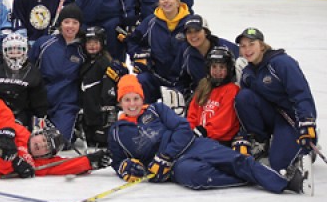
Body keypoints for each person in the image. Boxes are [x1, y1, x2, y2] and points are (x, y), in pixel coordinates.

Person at [107, 74, 308, 194]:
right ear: (120, 103)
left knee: (234, 160)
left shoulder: (156, 110)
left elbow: (183, 129)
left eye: (136, 98)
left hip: (192, 145)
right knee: (195, 176)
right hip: (174, 167)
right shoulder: (116, 132)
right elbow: (118, 161)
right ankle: (255, 178)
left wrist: (165, 155)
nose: (132, 104)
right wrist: (125, 168)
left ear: (142, 98)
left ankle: (286, 182)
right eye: (127, 100)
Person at [233, 27, 318, 172]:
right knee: (243, 97)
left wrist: (306, 122)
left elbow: (300, 92)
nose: (247, 49)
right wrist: (243, 135)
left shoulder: (281, 63)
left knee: (279, 163)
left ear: (261, 45)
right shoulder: (247, 73)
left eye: (251, 44)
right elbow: (247, 107)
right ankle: (260, 141)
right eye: (243, 46)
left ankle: (307, 146)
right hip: (272, 116)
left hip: (291, 119)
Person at [125, 0, 190, 106]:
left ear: (178, 1)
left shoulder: (189, 23)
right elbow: (132, 41)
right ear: (159, 2)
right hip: (156, 78)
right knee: (141, 80)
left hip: (182, 81)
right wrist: (140, 57)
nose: (166, 1)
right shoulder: (150, 22)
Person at [29, 3, 86, 143]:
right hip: (41, 101)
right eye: (66, 22)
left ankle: (74, 126)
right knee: (33, 140)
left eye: (75, 22)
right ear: (60, 24)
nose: (70, 26)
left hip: (66, 104)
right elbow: (29, 71)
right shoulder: (44, 44)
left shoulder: (84, 50)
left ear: (80, 25)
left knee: (60, 142)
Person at [0, 32, 48, 129]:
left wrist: (39, 120)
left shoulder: (34, 73)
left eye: (18, 50)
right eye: (10, 50)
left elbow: (39, 102)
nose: (14, 54)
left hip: (24, 116)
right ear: (4, 51)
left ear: (25, 50)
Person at [187, 46, 240, 146]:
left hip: (220, 142)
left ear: (229, 69)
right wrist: (191, 131)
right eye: (214, 67)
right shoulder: (203, 86)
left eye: (222, 67)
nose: (217, 71)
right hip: (199, 138)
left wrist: (204, 131)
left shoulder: (232, 89)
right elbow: (192, 113)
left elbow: (224, 119)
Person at [78, 26, 118, 149]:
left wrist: (108, 109)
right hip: (88, 109)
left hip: (101, 110)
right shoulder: (85, 62)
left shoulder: (105, 62)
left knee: (100, 140)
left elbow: (109, 89)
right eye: (89, 43)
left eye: (95, 42)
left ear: (102, 43)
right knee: (90, 139)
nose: (92, 46)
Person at [178, 14, 240, 95]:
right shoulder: (186, 52)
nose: (193, 35)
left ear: (206, 32)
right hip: (202, 97)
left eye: (197, 30)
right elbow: (181, 79)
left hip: (227, 95)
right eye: (189, 32)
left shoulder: (225, 47)